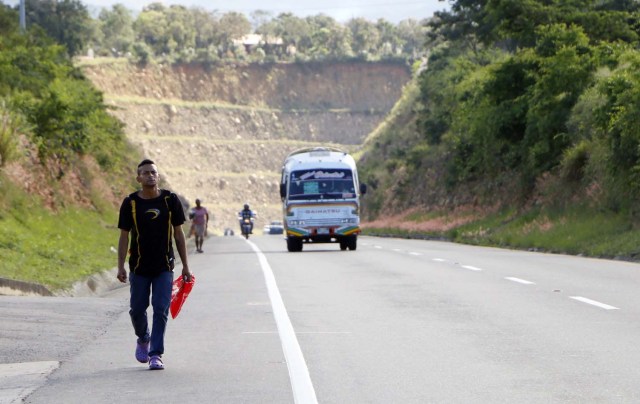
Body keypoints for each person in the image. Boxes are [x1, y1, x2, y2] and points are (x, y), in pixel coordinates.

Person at [117, 159, 192, 371]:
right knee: (137, 310)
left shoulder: (170, 200)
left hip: (164, 267)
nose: (150, 175)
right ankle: (143, 337)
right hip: (139, 267)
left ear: (158, 176)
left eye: (154, 172)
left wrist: (185, 265)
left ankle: (156, 353)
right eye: (146, 173)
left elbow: (179, 234)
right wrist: (120, 265)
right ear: (138, 178)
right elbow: (124, 236)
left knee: (161, 309)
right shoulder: (130, 203)